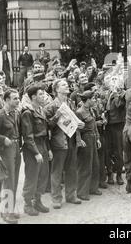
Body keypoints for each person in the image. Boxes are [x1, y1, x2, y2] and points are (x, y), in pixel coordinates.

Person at [45, 79, 85, 209]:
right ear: (56, 90)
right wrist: (56, 115)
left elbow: (75, 121)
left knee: (72, 169)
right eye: (63, 85)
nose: (67, 86)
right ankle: (56, 198)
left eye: (66, 84)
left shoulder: (71, 103)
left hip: (72, 140)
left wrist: (80, 124)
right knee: (57, 171)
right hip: (58, 142)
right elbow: (47, 126)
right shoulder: (51, 106)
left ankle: (71, 195)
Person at [0, 89, 21, 224]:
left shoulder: (15, 113)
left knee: (14, 180)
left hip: (15, 148)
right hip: (6, 150)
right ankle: (5, 211)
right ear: (7, 100)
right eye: (15, 98)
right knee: (8, 180)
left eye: (18, 98)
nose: (18, 100)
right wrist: (3, 139)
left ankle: (11, 209)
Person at [21, 84, 52, 216]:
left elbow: (45, 133)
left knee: (43, 176)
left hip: (43, 145)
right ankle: (28, 204)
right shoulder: (28, 113)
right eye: (41, 94)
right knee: (32, 177)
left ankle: (37, 201)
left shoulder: (41, 110)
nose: (44, 96)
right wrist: (36, 152)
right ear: (33, 97)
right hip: (32, 148)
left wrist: (48, 149)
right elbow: (28, 136)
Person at [75, 90, 102, 200]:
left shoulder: (90, 110)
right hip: (85, 139)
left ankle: (93, 188)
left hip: (92, 138)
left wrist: (98, 138)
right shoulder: (79, 112)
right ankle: (82, 192)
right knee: (85, 166)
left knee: (95, 164)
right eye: (93, 98)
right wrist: (79, 140)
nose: (95, 100)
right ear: (88, 100)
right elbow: (76, 128)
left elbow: (94, 125)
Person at [105, 75, 126, 185]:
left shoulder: (122, 94)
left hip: (118, 126)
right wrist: (109, 96)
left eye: (115, 79)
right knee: (108, 151)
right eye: (112, 80)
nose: (113, 81)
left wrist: (116, 94)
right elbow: (105, 108)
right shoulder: (105, 93)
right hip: (107, 126)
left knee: (118, 151)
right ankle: (109, 174)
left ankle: (118, 174)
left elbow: (119, 105)